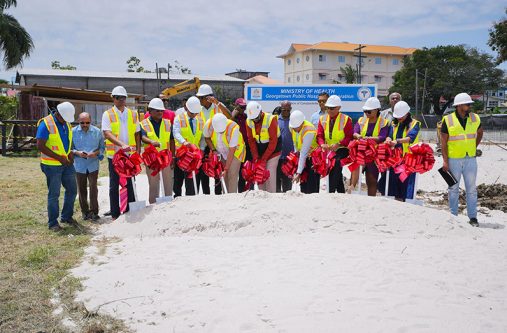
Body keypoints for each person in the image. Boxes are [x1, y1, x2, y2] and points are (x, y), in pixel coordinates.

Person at [440, 92, 483, 226]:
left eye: (469, 104)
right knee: (453, 188)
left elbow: (480, 132)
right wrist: (445, 161)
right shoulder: (448, 120)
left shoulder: (475, 118)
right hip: (454, 159)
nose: (469, 106)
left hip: (470, 158)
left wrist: (473, 146)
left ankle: (473, 217)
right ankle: (454, 216)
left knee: (471, 189)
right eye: (467, 104)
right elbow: (443, 142)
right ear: (459, 106)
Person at [36, 102, 78, 231]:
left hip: (66, 163)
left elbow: (67, 141)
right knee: (54, 194)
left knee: (72, 190)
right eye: (64, 118)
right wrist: (59, 157)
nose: (66, 121)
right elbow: (40, 146)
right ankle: (53, 223)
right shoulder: (46, 124)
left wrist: (70, 153)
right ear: (58, 114)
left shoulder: (67, 123)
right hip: (52, 165)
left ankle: (66, 216)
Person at [101, 86, 141, 220]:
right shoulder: (108, 114)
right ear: (113, 98)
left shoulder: (133, 114)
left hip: (129, 155)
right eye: (119, 98)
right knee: (114, 184)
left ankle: (130, 209)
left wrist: (138, 151)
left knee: (130, 183)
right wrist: (121, 145)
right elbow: (107, 133)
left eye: (124, 98)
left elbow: (137, 133)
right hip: (115, 155)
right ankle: (115, 213)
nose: (122, 100)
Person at [348, 97, 389, 196]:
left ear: (377, 110)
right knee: (355, 171)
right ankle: (351, 190)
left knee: (371, 179)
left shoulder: (384, 122)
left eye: (369, 111)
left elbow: (382, 137)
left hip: (374, 155)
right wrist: (359, 136)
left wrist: (369, 139)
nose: (366, 113)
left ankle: (371, 199)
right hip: (361, 151)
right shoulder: (361, 120)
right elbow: (355, 132)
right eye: (365, 111)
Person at [196, 84, 231, 194]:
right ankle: (206, 193)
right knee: (203, 171)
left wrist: (218, 103)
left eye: (201, 98)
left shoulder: (218, 107)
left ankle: (218, 193)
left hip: (217, 144)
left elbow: (230, 117)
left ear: (208, 98)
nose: (199, 100)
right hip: (203, 144)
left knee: (218, 169)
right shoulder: (198, 109)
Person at [140, 98, 175, 204]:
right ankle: (153, 205)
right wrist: (151, 141)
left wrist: (173, 156)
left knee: (168, 182)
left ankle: (168, 203)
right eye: (157, 110)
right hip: (152, 159)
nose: (160, 113)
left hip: (166, 158)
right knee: (153, 183)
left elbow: (172, 140)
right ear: (150, 111)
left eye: (161, 111)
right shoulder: (144, 124)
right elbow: (142, 137)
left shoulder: (168, 123)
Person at [316, 95, 353, 193]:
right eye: (328, 108)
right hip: (327, 149)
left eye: (332, 108)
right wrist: (322, 144)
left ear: (339, 108)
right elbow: (319, 135)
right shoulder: (322, 119)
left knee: (336, 163)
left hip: (342, 149)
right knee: (331, 167)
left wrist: (339, 144)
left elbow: (349, 137)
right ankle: (341, 191)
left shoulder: (346, 119)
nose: (329, 110)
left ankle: (331, 191)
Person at [385, 101, 420, 202]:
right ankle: (397, 200)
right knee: (395, 183)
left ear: (407, 114)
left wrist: (397, 141)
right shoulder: (394, 123)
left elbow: (410, 138)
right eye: (398, 117)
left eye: (401, 117)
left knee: (407, 184)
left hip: (409, 159)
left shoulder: (415, 124)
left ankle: (406, 202)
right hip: (395, 158)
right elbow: (390, 135)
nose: (399, 119)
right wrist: (388, 139)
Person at [72, 112, 104, 221]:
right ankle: (85, 212)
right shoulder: (72, 132)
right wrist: (77, 152)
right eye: (82, 123)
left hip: (93, 165)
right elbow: (69, 148)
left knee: (93, 188)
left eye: (87, 122)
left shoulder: (97, 132)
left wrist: (95, 153)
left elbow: (102, 148)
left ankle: (94, 212)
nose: (85, 124)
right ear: (78, 121)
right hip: (79, 165)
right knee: (81, 189)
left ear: (91, 121)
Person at [204, 113, 246, 193]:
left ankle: (232, 197)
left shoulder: (234, 127)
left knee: (232, 175)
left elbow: (231, 150)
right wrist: (213, 150)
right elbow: (207, 138)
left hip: (235, 152)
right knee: (223, 176)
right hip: (220, 152)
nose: (221, 133)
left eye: (222, 131)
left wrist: (226, 169)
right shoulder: (208, 124)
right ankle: (225, 197)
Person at [173, 96, 206, 196]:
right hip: (181, 154)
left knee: (191, 179)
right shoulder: (179, 118)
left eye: (196, 113)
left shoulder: (200, 120)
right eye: (192, 113)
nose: (194, 115)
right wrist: (183, 142)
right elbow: (176, 132)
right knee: (178, 179)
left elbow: (203, 137)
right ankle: (177, 197)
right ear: (187, 108)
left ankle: (190, 197)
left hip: (194, 155)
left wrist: (202, 149)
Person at [245, 101, 281, 192]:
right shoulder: (249, 121)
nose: (255, 120)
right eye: (253, 119)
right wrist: (256, 157)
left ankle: (271, 196)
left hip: (273, 150)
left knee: (269, 172)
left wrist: (264, 159)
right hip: (259, 149)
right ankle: (262, 195)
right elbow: (251, 141)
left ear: (261, 112)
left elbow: (273, 141)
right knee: (260, 172)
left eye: (256, 118)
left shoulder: (271, 119)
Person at [289, 110, 320, 193]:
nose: (295, 129)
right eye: (293, 127)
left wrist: (298, 172)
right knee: (303, 186)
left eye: (296, 127)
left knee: (311, 186)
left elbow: (304, 152)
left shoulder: (308, 130)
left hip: (312, 159)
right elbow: (295, 144)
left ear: (302, 123)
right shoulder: (292, 127)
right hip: (302, 158)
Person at [378, 92, 401, 194]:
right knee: (383, 170)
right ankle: (384, 192)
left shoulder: (405, 115)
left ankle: (395, 193)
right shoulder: (383, 114)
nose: (395, 100)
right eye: (393, 98)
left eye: (397, 98)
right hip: (384, 148)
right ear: (389, 100)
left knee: (396, 172)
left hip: (398, 148)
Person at [231, 98, 251, 192]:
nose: (243, 109)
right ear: (236, 106)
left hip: (246, 147)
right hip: (235, 148)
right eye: (241, 107)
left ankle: (243, 191)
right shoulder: (231, 117)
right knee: (234, 172)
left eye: (244, 107)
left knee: (245, 170)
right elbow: (228, 125)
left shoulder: (246, 117)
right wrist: (233, 116)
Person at [276, 101, 294, 193]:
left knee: (287, 183)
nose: (286, 111)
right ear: (280, 109)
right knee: (276, 182)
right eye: (284, 110)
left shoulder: (294, 120)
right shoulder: (275, 120)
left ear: (290, 109)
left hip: (289, 157)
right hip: (277, 156)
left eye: (288, 110)